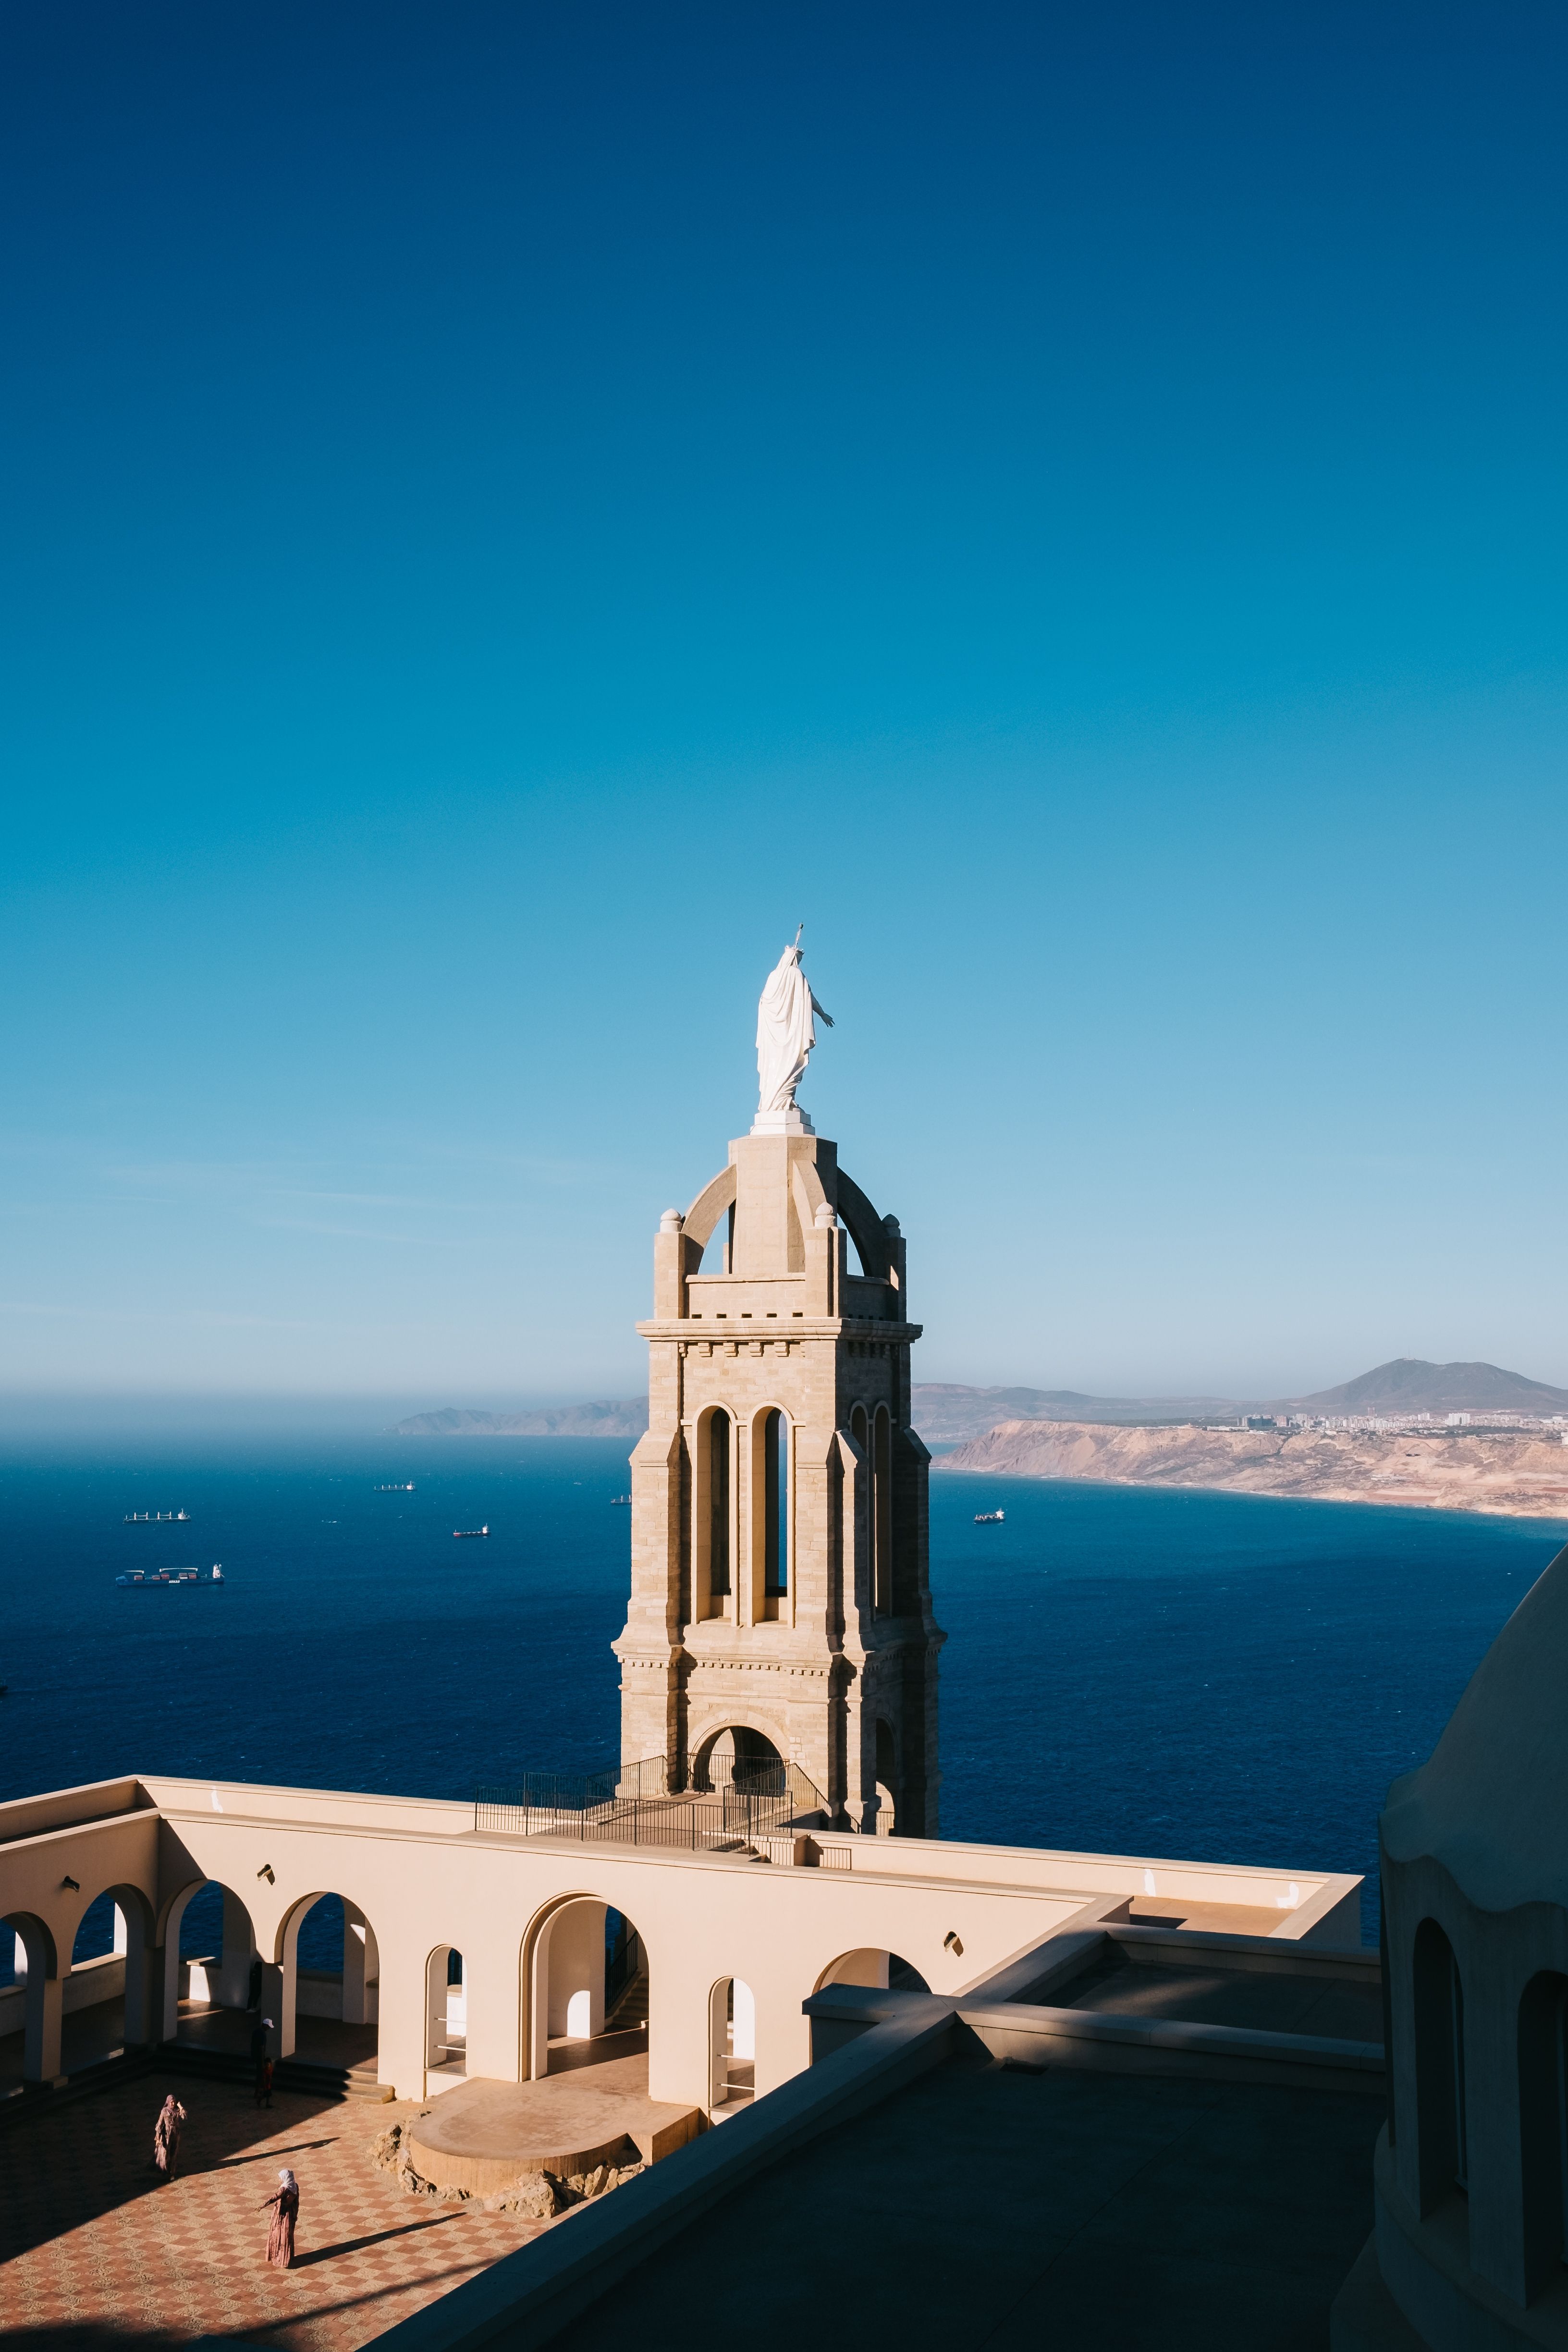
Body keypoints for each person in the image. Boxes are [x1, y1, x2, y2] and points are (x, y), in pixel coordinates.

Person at [259, 2167, 298, 2268]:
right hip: (290, 2213)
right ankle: (288, 2257)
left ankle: (279, 2259)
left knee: (278, 2234)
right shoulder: (295, 2186)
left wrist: (262, 2206)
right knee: (287, 2235)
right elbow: (297, 2202)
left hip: (281, 2214)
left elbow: (274, 2198)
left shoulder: (284, 2189)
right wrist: (295, 2214)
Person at [151, 2093, 186, 2180]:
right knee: (166, 2153)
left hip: (175, 2134)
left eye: (174, 2102)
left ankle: (172, 2173)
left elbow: (185, 2117)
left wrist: (181, 2107)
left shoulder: (178, 2111)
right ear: (168, 2102)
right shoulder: (164, 2111)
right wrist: (158, 2138)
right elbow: (160, 2124)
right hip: (167, 2134)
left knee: (174, 2153)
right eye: (171, 2102)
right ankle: (165, 2170)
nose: (173, 2104)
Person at [251, 2016, 274, 2108]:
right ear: (265, 2025)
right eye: (268, 2027)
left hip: (255, 2056)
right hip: (259, 2058)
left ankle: (257, 2093)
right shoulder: (263, 2034)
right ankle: (259, 2095)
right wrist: (262, 2062)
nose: (268, 2028)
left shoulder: (256, 2031)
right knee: (262, 2077)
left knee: (259, 2076)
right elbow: (261, 2048)